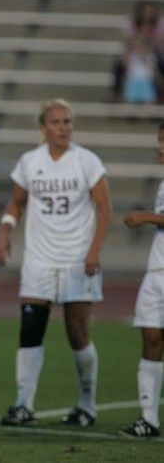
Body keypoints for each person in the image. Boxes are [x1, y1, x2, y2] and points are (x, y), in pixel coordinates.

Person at [0, 98, 111, 428]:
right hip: (39, 260)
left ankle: (87, 404)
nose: (64, 128)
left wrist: (94, 251)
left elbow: (105, 209)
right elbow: (17, 203)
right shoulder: (30, 161)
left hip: (76, 259)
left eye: (67, 122)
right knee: (31, 328)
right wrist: (4, 232)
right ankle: (23, 403)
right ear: (44, 127)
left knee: (77, 331)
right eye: (57, 122)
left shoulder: (87, 161)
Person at [120, 123, 164, 438]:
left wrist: (146, 216)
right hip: (157, 271)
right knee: (150, 337)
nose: (160, 148)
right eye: (160, 141)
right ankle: (149, 419)